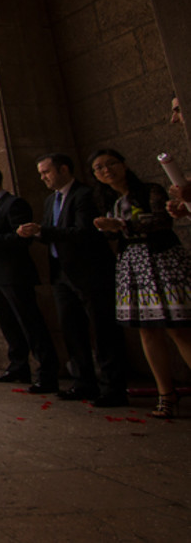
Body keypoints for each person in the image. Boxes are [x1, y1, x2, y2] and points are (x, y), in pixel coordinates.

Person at [18, 153, 128, 405]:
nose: (43, 177)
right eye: (40, 173)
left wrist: (43, 230)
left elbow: (83, 232)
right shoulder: (50, 200)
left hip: (90, 272)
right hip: (61, 273)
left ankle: (113, 388)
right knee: (72, 330)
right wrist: (35, 232)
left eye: (46, 172)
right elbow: (51, 232)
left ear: (64, 169)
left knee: (103, 330)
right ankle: (83, 382)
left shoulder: (85, 195)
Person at [90, 148, 191, 418]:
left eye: (111, 164)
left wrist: (122, 225)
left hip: (160, 260)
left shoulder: (149, 190)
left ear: (123, 164)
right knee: (147, 330)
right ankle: (166, 394)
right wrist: (108, 228)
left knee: (178, 329)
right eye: (99, 168)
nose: (106, 170)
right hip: (132, 264)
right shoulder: (108, 199)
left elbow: (162, 220)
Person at [0, 165, 60, 394]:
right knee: (8, 324)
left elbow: (22, 238)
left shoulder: (14, 204)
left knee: (30, 323)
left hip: (14, 274)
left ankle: (47, 372)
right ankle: (18, 366)